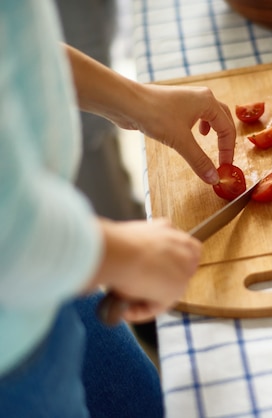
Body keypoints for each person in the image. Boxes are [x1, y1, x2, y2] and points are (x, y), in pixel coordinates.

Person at [0, 1, 236, 417]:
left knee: (137, 400)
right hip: (12, 348)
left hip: (50, 261)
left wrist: (138, 102)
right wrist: (121, 253)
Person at [54, 0, 156, 347]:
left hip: (52, 278)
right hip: (21, 318)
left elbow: (31, 53)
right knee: (88, 144)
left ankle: (122, 214)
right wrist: (126, 254)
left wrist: (140, 102)